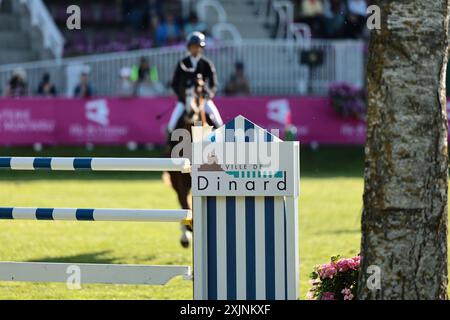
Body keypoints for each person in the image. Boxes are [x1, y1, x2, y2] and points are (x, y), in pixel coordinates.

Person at [168, 31, 223, 132]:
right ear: (189, 47)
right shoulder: (182, 63)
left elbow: (214, 84)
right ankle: (170, 145)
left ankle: (220, 144)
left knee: (218, 122)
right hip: (185, 100)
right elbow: (174, 83)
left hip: (203, 99)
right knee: (171, 125)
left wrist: (209, 94)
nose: (195, 49)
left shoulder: (207, 64)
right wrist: (182, 96)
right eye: (193, 46)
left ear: (201, 48)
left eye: (197, 46)